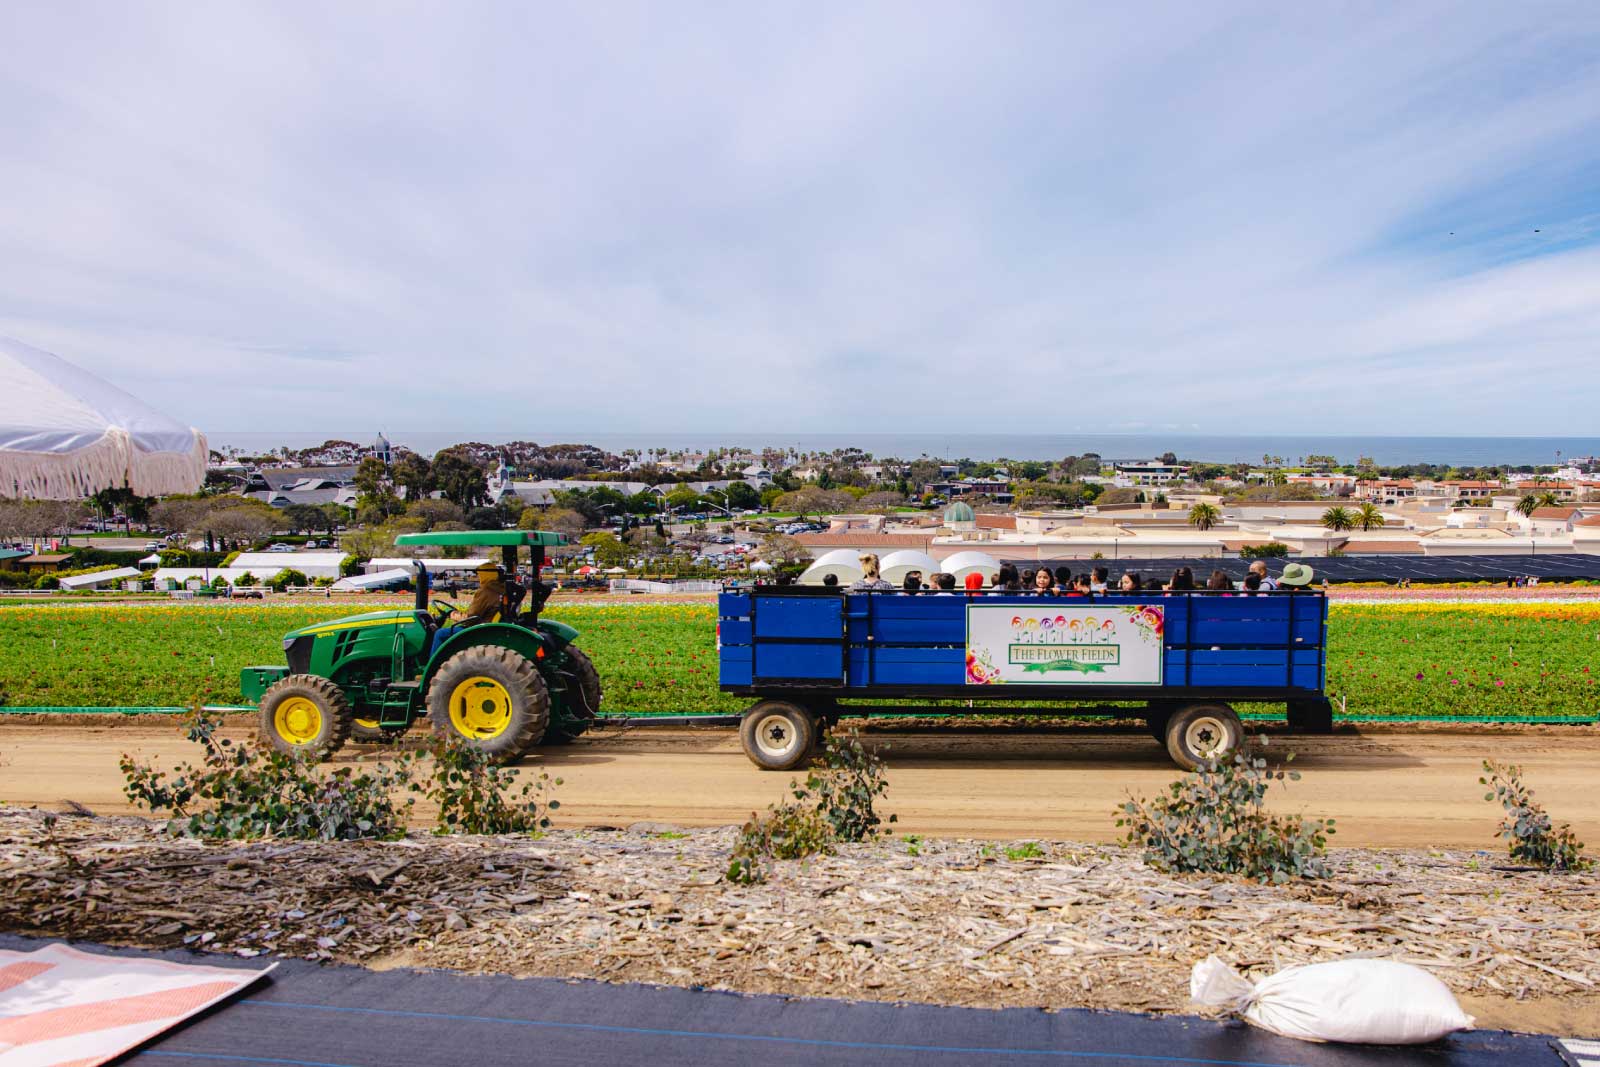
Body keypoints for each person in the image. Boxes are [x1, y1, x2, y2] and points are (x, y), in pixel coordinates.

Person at [432, 561, 506, 655]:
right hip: (487, 626)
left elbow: (469, 618)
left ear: (485, 575)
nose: (478, 578)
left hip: (479, 630)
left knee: (440, 634)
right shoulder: (499, 589)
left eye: (479, 575)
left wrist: (453, 614)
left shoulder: (486, 591)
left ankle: (434, 667)